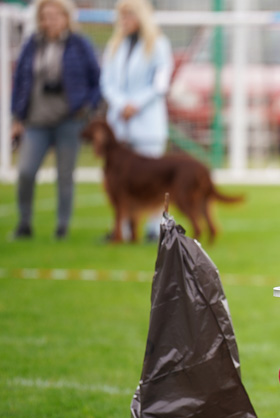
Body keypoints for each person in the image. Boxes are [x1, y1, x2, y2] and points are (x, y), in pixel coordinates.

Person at [10, 0, 101, 240]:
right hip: (36, 120)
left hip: (69, 120)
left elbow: (96, 80)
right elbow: (20, 80)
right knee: (26, 172)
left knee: (65, 175)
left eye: (54, 15)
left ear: (66, 17)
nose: (49, 20)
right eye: (45, 15)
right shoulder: (32, 44)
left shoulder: (80, 44)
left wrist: (87, 107)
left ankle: (62, 227)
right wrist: (17, 115)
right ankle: (24, 224)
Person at [100, 0, 173, 241]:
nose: (125, 20)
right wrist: (122, 104)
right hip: (120, 123)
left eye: (129, 15)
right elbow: (107, 83)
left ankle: (155, 229)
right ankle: (125, 228)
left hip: (147, 122)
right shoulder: (115, 45)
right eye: (122, 16)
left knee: (153, 180)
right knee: (122, 182)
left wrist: (136, 104)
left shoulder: (159, 44)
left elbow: (160, 84)